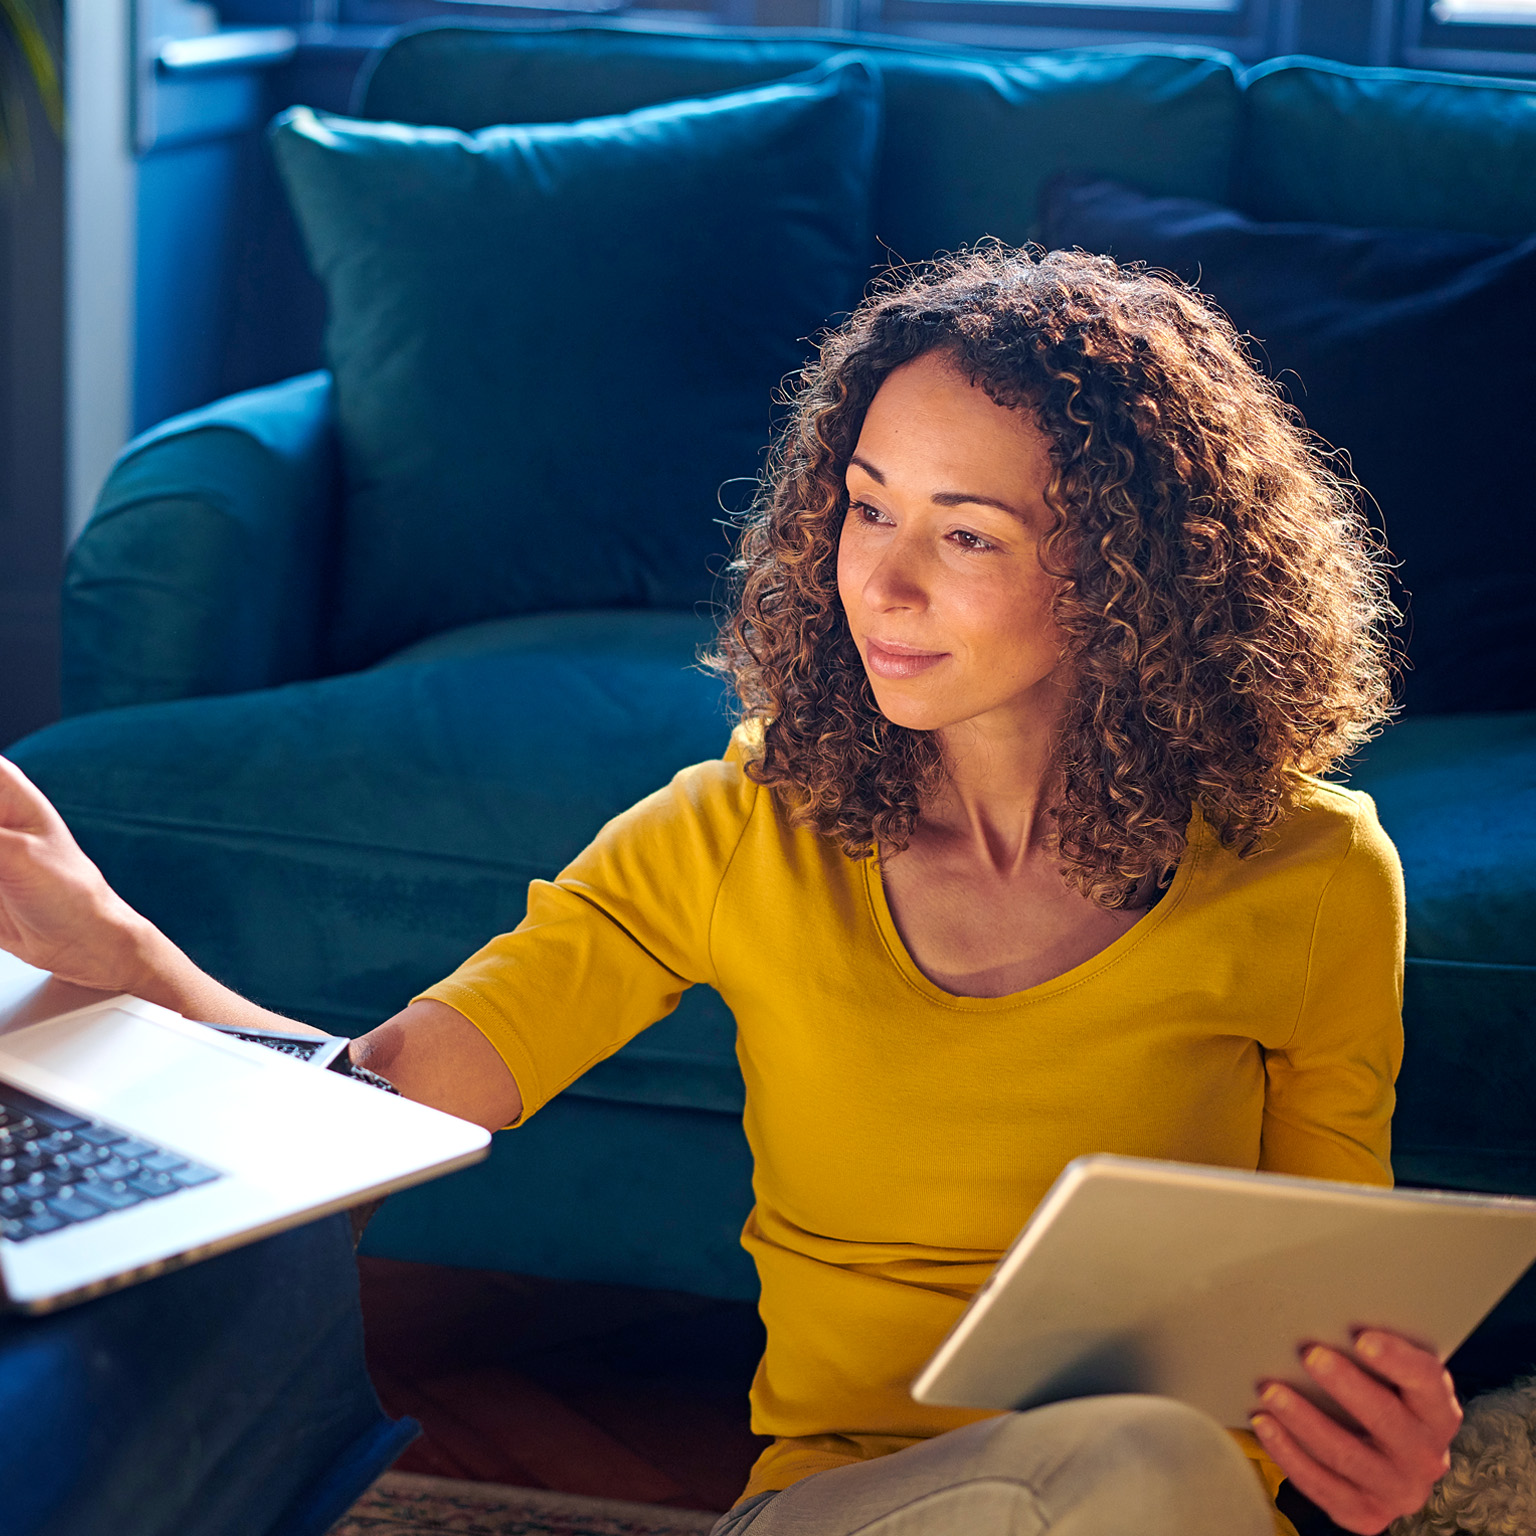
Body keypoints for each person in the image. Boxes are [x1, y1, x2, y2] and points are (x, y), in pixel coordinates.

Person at [0, 249, 1461, 1535]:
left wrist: (1370, 1447)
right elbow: (375, 1107)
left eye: (964, 536)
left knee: (1161, 1471)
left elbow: (1317, 1319)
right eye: (866, 509)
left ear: (1128, 577)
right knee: (1143, 1460)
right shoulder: (738, 831)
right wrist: (118, 950)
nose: (877, 584)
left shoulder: (1317, 878)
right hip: (847, 1510)